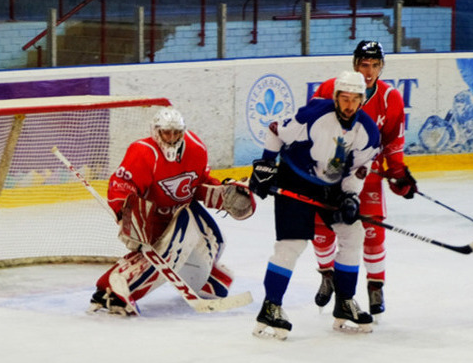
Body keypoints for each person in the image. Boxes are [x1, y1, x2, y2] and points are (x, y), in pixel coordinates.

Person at [249, 70, 381, 339]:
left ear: (362, 100)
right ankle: (270, 306)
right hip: (295, 178)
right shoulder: (314, 115)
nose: (348, 104)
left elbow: (359, 168)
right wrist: (265, 165)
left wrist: (350, 196)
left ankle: (345, 302)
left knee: (352, 232)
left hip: (330, 186)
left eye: (354, 99)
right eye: (344, 98)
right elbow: (275, 131)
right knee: (292, 244)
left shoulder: (367, 131)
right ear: (336, 98)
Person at [90, 106, 256, 315]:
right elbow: (122, 186)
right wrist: (126, 215)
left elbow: (198, 184)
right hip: (150, 221)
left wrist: (222, 193)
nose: (171, 137)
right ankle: (113, 287)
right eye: (166, 132)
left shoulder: (196, 148)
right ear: (155, 131)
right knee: (173, 247)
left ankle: (207, 278)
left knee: (216, 246)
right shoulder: (143, 152)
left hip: (180, 211)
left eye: (176, 132)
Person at [309, 40, 416, 317]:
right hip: (327, 175)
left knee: (373, 233)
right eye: (364, 65)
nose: (369, 71)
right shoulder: (329, 89)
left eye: (375, 65)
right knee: (320, 232)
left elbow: (393, 142)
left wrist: (398, 173)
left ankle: (375, 285)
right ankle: (327, 276)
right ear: (355, 64)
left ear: (382, 67)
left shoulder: (390, 98)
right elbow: (310, 128)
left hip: (365, 175)